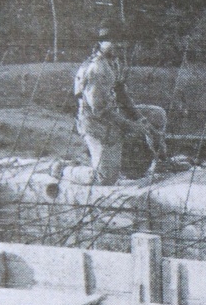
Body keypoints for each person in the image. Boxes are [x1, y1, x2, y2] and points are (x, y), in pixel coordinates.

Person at [53, 22, 166, 188]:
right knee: (105, 179)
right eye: (114, 40)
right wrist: (131, 126)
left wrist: (141, 119)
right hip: (96, 123)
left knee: (156, 114)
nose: (120, 45)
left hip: (113, 115)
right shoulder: (96, 68)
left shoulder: (115, 62)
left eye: (122, 41)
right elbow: (99, 110)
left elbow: (121, 92)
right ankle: (63, 169)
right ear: (101, 42)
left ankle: (156, 162)